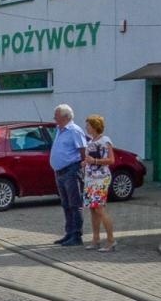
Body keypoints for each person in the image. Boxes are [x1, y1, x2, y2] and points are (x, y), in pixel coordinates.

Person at [50, 103, 87, 246]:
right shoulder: (59, 129)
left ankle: (77, 235)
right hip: (59, 172)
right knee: (65, 204)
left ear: (65, 117)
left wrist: (80, 168)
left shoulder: (74, 131)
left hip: (71, 170)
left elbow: (83, 151)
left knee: (74, 204)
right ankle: (69, 233)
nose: (54, 119)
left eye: (57, 116)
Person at [83, 114, 117, 251]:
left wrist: (95, 161)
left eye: (88, 125)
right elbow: (91, 158)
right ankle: (95, 239)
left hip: (100, 179)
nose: (86, 127)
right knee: (92, 209)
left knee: (99, 208)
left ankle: (111, 240)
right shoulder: (92, 141)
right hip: (90, 178)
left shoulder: (105, 140)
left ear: (95, 126)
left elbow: (111, 160)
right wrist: (86, 162)